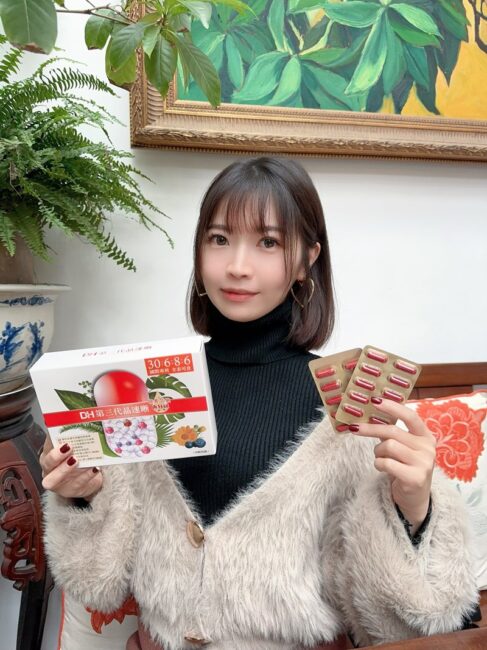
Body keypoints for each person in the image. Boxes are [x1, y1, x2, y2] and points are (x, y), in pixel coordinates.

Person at [39, 157, 478, 650]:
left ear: (307, 259)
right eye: (219, 238)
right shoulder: (146, 387)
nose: (237, 266)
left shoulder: (347, 404)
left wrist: (414, 508)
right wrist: (80, 495)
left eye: (268, 242)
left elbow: (395, 621)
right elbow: (96, 580)